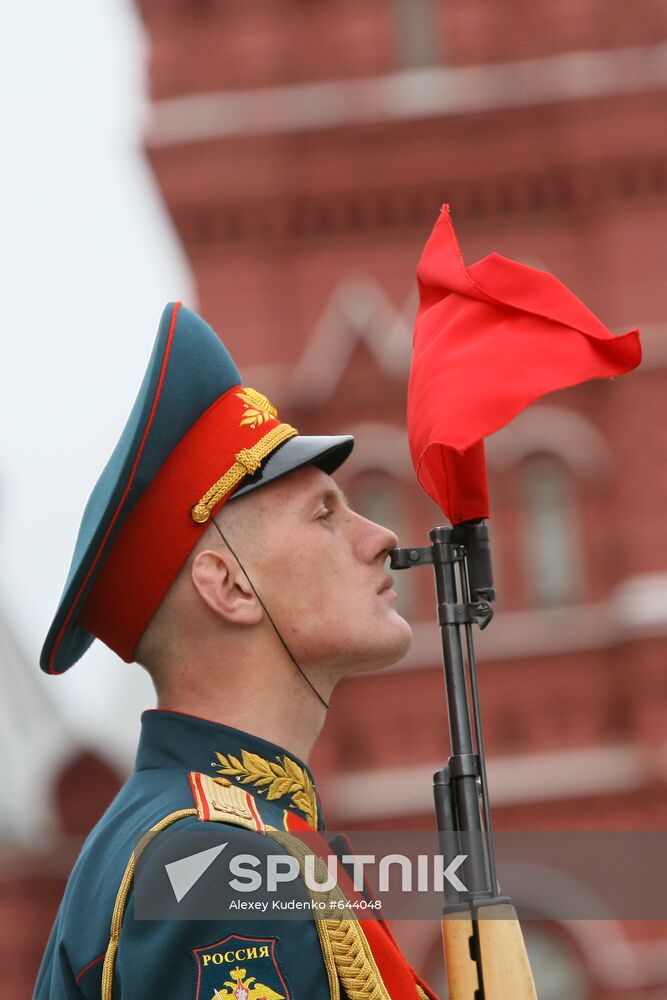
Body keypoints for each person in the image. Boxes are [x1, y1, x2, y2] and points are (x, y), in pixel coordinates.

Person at [35, 303, 437, 999]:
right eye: (324, 514)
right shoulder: (219, 863)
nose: (380, 538)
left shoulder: (222, 840)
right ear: (227, 586)